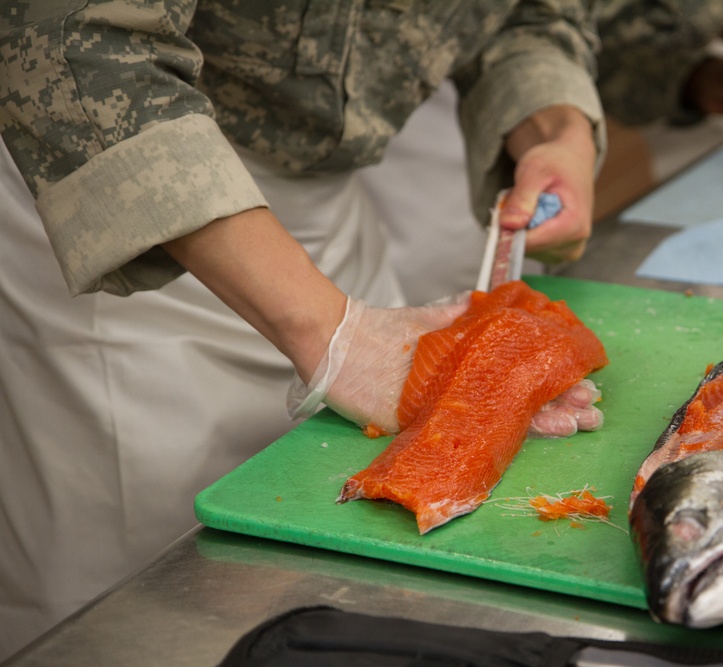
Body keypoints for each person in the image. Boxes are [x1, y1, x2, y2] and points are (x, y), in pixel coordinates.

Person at [0, 1, 607, 658]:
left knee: (349, 579)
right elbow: (74, 34)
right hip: (108, 191)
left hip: (324, 200)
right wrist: (328, 330)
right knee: (145, 600)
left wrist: (556, 124)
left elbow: (529, 14)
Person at [363, 0, 723, 306]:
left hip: (519, 58)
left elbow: (530, 21)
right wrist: (708, 8)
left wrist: (679, 78)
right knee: (440, 294)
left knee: (525, 285)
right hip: (386, 92)